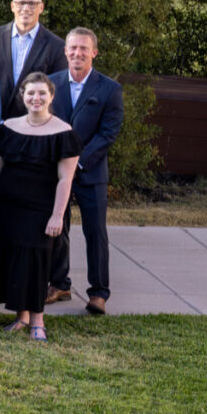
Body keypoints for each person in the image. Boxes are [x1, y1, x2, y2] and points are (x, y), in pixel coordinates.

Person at [0, 73, 81, 342]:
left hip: (41, 209)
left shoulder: (63, 132)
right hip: (6, 205)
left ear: (51, 96)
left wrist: (58, 215)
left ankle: (38, 321)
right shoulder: (8, 128)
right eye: (30, 93)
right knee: (15, 260)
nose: (36, 98)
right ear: (22, 96)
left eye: (41, 94)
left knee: (36, 261)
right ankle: (21, 318)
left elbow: (65, 179)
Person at [49, 29, 125, 316]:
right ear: (65, 51)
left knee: (96, 232)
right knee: (57, 227)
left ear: (94, 52)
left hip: (90, 172)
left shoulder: (109, 89)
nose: (77, 53)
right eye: (73, 48)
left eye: (84, 48)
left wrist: (78, 162)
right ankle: (59, 283)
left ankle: (98, 293)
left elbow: (108, 134)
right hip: (56, 174)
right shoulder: (52, 84)